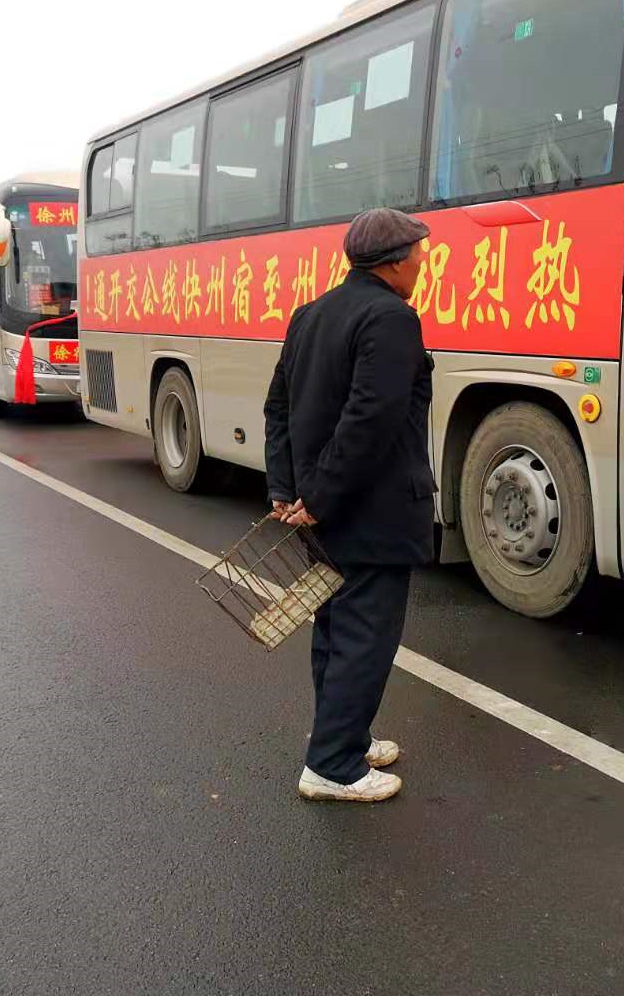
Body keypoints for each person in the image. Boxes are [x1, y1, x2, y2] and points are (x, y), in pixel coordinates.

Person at [263, 208, 434, 803]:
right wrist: (320, 497)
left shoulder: (310, 315)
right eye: (418, 253)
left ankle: (344, 736)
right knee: (364, 634)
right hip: (371, 511)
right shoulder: (391, 318)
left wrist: (288, 490)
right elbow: (370, 420)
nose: (423, 262)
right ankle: (332, 765)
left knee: (335, 628)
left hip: (325, 508)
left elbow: (277, 407)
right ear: (393, 261)